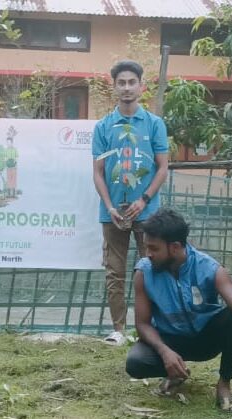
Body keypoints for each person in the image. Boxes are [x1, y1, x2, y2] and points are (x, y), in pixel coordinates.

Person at [126, 209, 232, 411]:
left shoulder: (210, 268)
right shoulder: (144, 273)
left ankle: (224, 384)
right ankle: (175, 373)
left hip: (206, 340)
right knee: (136, 363)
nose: (147, 254)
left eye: (153, 248)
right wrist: (164, 351)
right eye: (146, 247)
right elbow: (142, 324)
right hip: (170, 340)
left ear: (175, 247)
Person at [92, 60, 169, 346]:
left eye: (131, 82)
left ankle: (149, 329)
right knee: (115, 271)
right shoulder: (104, 126)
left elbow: (162, 168)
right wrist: (110, 206)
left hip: (147, 212)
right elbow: (98, 172)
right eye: (121, 83)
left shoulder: (154, 124)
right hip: (112, 213)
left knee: (152, 268)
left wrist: (144, 200)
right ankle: (119, 330)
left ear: (141, 86)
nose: (126, 88)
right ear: (114, 87)